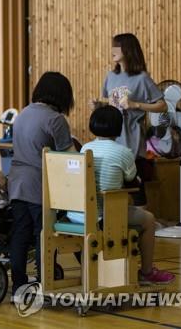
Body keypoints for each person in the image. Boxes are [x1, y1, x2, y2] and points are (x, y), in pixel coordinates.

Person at [67, 106, 175, 285]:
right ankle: (146, 272)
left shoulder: (85, 148)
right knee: (148, 219)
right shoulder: (123, 152)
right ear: (119, 127)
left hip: (77, 215)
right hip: (103, 216)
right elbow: (133, 179)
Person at [8, 71, 76, 295]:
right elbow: (71, 157)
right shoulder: (55, 119)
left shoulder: (23, 114)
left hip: (16, 184)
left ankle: (18, 284)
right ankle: (44, 282)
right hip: (40, 186)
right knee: (43, 235)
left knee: (20, 233)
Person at [90, 33, 167, 206]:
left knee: (136, 188)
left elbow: (162, 106)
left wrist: (136, 105)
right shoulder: (110, 76)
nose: (112, 51)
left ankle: (144, 223)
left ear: (128, 49)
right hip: (110, 142)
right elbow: (109, 104)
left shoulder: (142, 78)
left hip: (132, 141)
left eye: (116, 47)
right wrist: (98, 106)